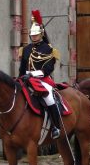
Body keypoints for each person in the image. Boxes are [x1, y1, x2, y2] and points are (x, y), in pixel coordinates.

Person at [19, 10, 61, 139]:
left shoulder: (48, 49)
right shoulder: (25, 49)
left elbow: (48, 69)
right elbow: (22, 67)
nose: (34, 37)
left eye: (36, 35)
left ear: (42, 34)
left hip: (42, 79)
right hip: (25, 79)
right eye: (32, 35)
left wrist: (32, 75)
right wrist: (20, 77)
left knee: (48, 97)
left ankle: (55, 126)